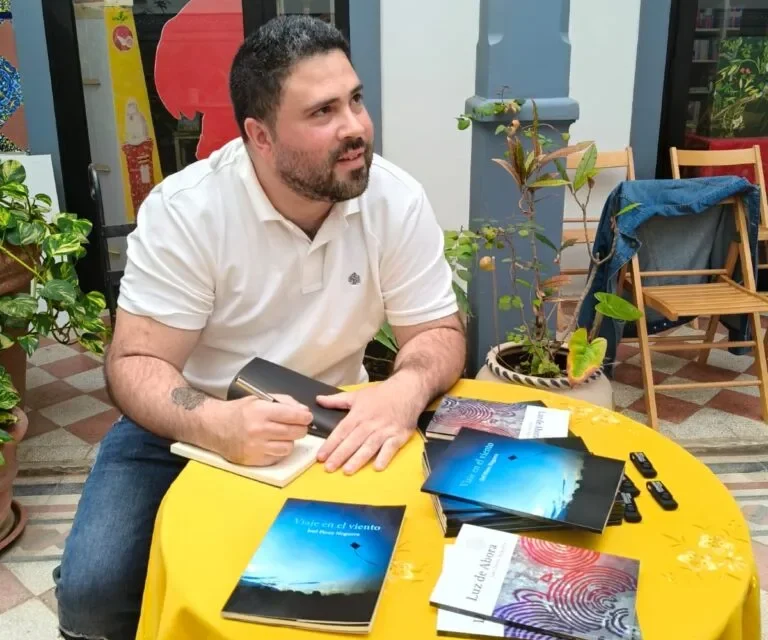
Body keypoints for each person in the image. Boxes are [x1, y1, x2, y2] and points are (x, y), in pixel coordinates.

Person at [54, 14, 466, 640]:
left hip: (337, 414)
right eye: (323, 112)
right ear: (260, 136)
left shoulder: (393, 199)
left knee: (378, 579)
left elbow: (439, 332)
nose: (356, 128)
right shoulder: (189, 211)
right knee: (94, 594)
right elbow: (136, 363)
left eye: (355, 100)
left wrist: (403, 391)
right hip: (189, 414)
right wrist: (212, 423)